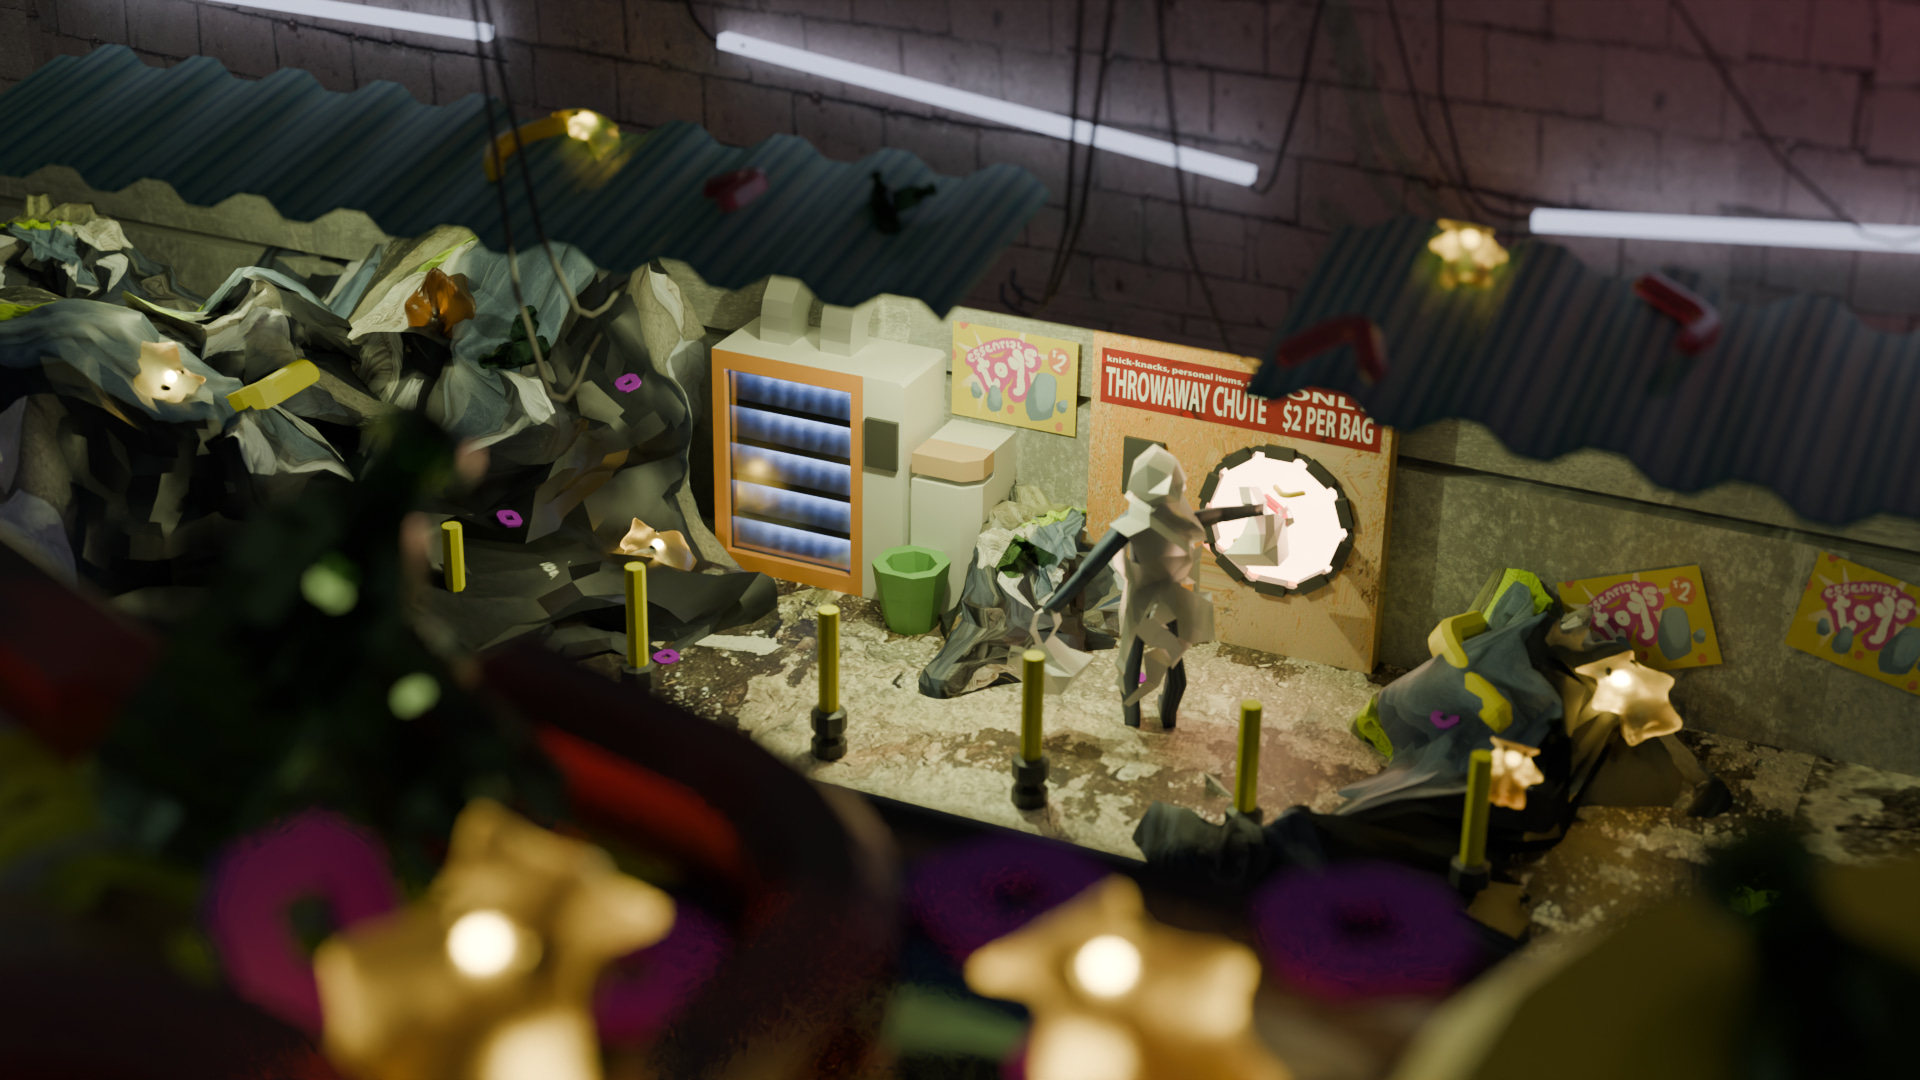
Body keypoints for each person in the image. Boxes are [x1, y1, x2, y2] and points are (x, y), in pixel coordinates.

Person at [1036, 445, 1264, 729]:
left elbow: (1088, 570)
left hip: (1142, 602)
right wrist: (1254, 509)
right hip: (1169, 600)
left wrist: (1053, 606)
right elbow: (1215, 515)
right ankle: (1166, 719)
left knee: (1133, 667)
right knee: (1172, 670)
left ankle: (1133, 721)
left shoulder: (1134, 522)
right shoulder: (1178, 518)